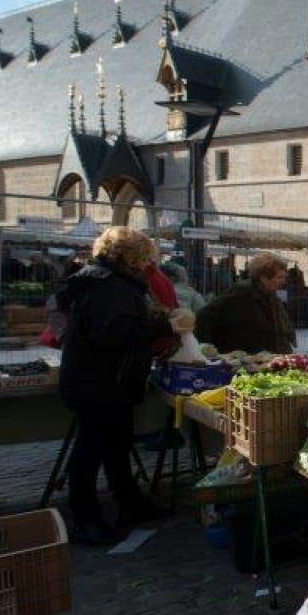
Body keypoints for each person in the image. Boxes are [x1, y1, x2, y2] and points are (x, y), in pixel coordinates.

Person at [57, 228, 185, 545]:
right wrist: (164, 324)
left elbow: (120, 324)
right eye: (145, 258)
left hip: (110, 381)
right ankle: (86, 519)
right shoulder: (107, 284)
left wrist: (158, 318)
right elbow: (113, 333)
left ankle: (129, 502)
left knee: (117, 444)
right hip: (100, 383)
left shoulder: (111, 281)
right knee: (91, 450)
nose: (148, 265)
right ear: (131, 257)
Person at [195, 252, 298, 354]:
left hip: (263, 356)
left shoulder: (270, 295)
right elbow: (205, 317)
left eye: (284, 277)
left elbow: (279, 330)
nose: (284, 282)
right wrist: (209, 351)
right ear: (263, 278)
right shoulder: (242, 292)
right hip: (242, 358)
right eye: (279, 277)